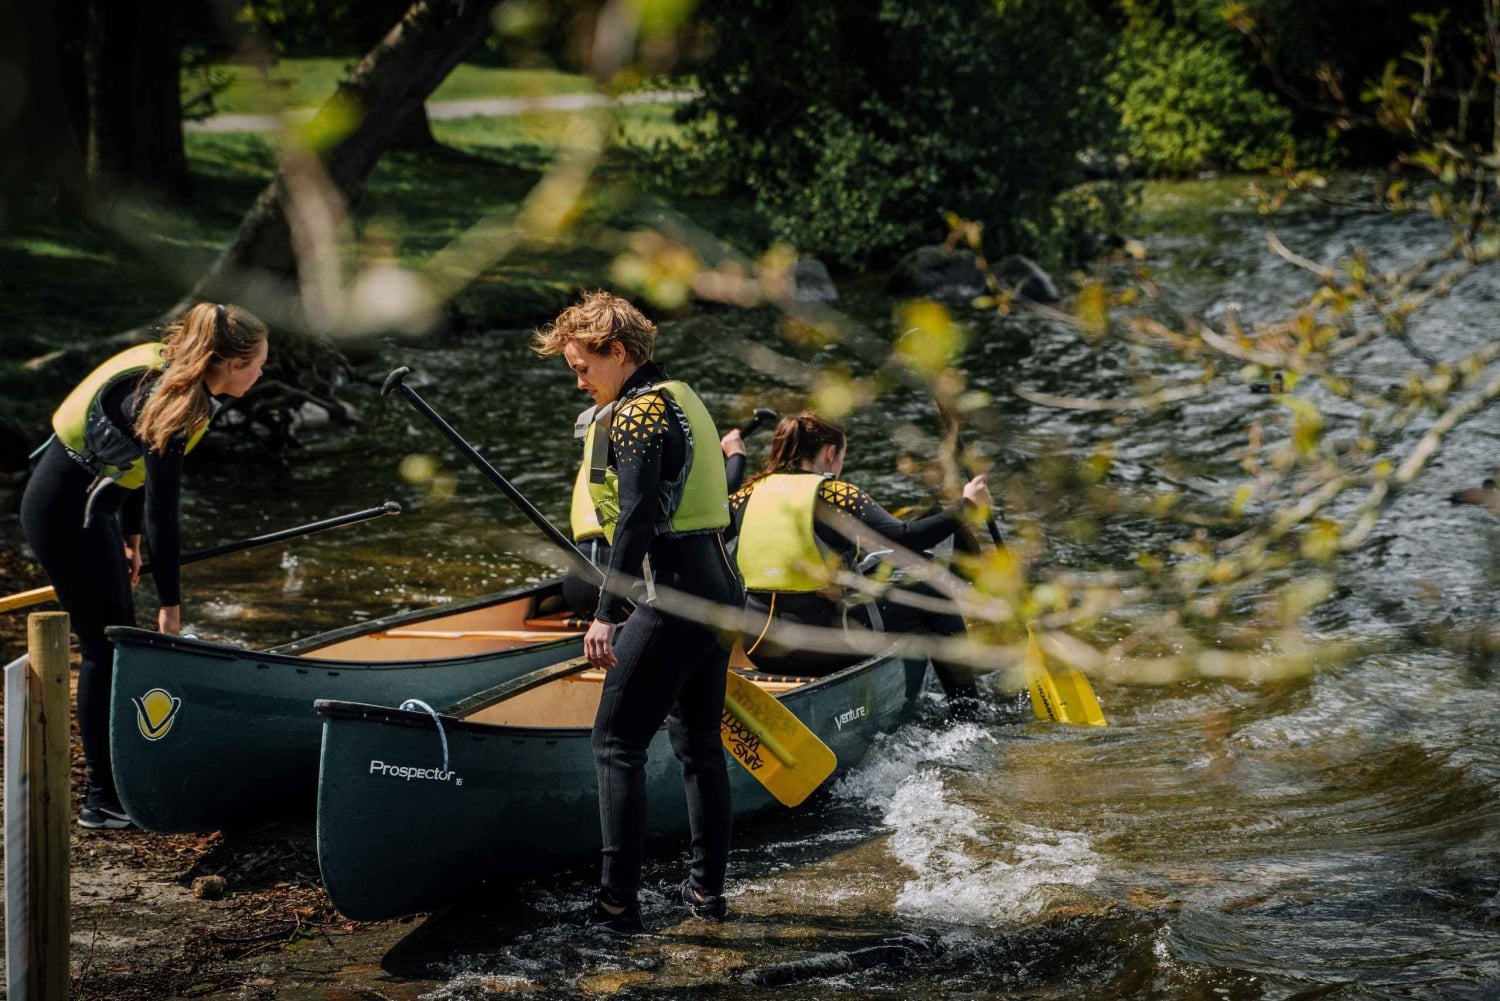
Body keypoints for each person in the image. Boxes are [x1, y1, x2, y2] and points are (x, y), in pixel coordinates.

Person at [532, 290, 744, 932]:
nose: (577, 381)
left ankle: (616, 904)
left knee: (615, 745)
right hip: (719, 589)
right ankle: (707, 896)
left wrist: (606, 610)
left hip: (672, 594)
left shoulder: (635, 415)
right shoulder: (682, 399)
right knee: (698, 745)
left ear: (617, 352)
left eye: (582, 366)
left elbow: (638, 518)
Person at [20, 302, 269, 830]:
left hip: (93, 508)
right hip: (65, 513)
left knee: (112, 641)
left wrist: (129, 541)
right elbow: (164, 512)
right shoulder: (178, 403)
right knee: (105, 650)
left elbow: (127, 469)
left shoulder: (173, 377)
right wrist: (171, 609)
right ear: (229, 364)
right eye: (258, 364)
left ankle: (115, 781)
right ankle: (102, 799)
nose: (263, 373)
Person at [725, 411, 990, 699]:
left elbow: (707, 534)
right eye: (841, 457)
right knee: (935, 593)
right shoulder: (835, 493)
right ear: (830, 453)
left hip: (758, 648)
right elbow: (905, 538)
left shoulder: (746, 495)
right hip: (824, 647)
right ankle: (967, 712)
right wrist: (967, 505)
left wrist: (734, 459)